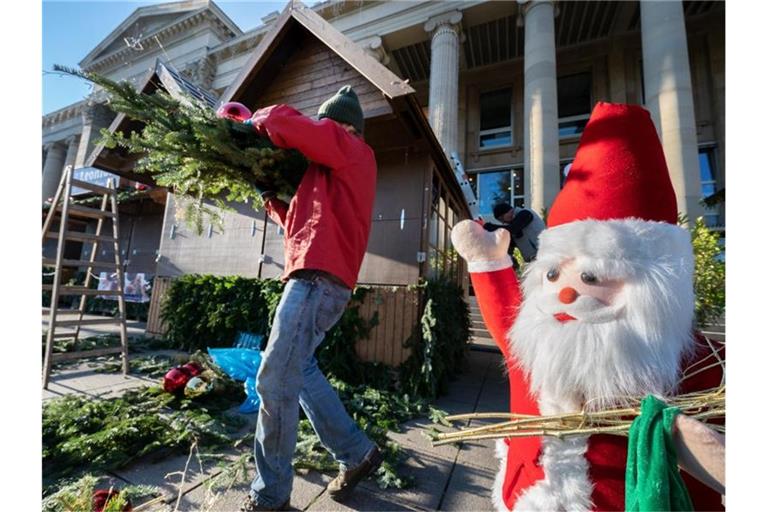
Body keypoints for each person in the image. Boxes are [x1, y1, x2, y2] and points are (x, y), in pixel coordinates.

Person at [451, 102, 724, 511]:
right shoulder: (538, 344)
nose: (563, 295)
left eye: (591, 278)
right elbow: (507, 317)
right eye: (553, 276)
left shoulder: (701, 366)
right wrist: (487, 262)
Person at [240, 86, 382, 512]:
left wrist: (251, 121)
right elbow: (303, 222)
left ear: (341, 125)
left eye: (327, 123)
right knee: (296, 369)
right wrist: (271, 202)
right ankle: (357, 453)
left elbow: (283, 121)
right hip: (318, 278)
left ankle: (271, 497)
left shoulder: (350, 146)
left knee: (273, 379)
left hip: (317, 279)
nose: (323, 130)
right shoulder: (326, 172)